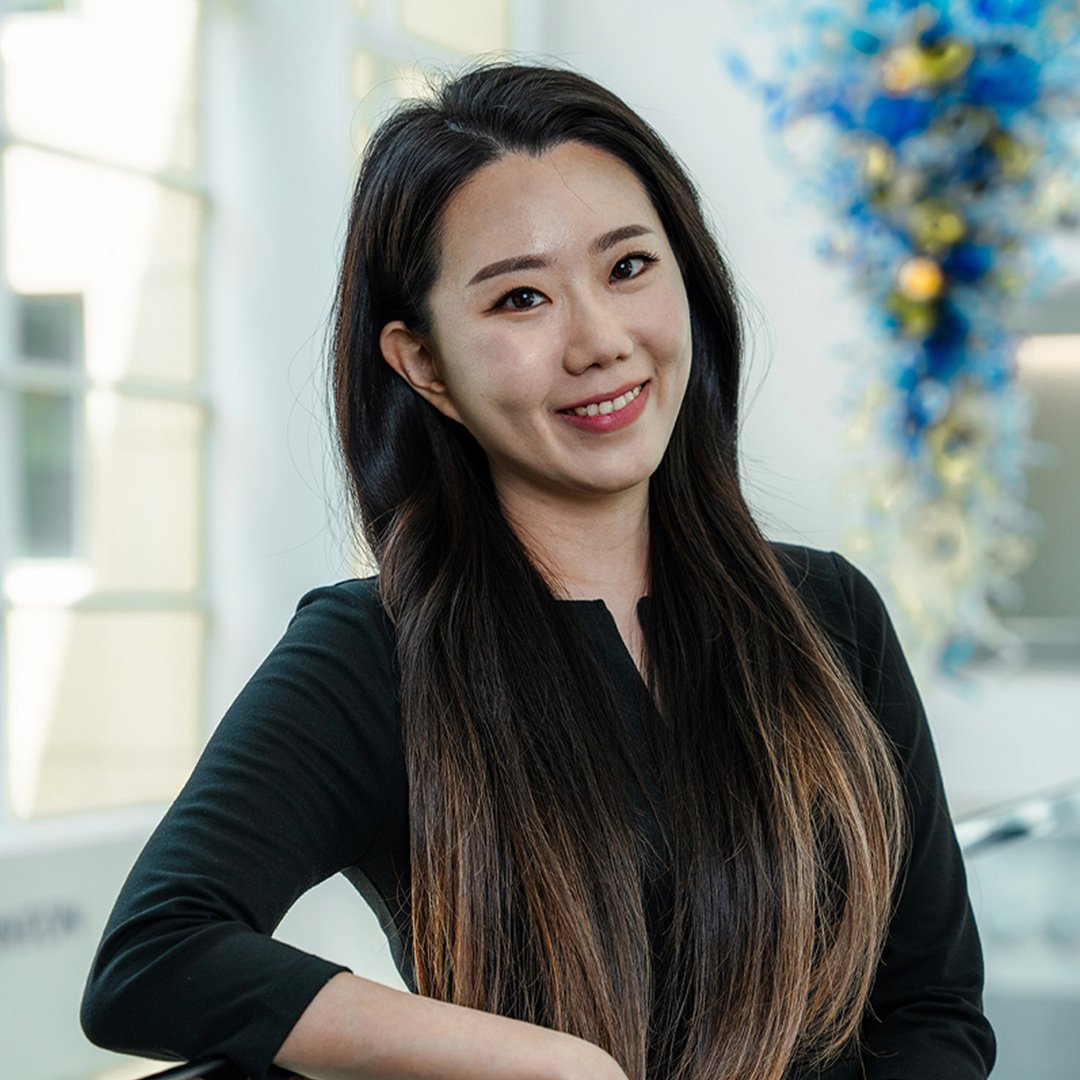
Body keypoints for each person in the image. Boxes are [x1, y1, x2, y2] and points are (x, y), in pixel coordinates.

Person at [81, 63, 995, 1080]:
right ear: (424, 364)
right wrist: (553, 1066)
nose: (599, 342)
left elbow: (935, 1014)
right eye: (521, 298)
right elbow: (154, 959)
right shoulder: (375, 652)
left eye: (629, 268)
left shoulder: (829, 616)